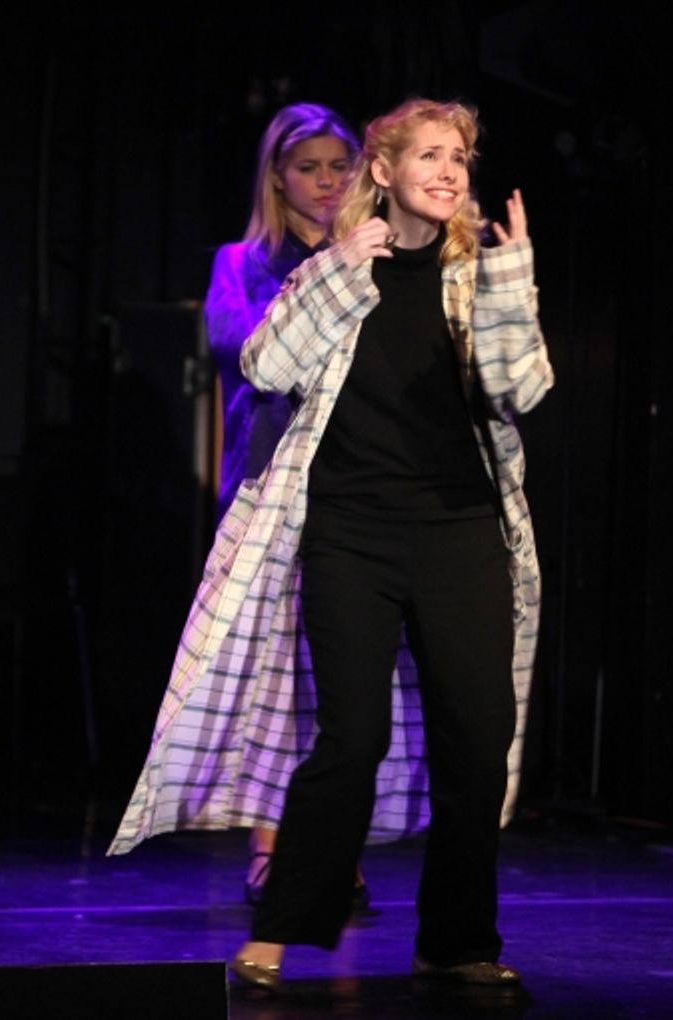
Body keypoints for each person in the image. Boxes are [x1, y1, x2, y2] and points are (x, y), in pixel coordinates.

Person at [110, 97, 550, 989]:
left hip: (462, 529)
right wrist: (343, 267)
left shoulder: (482, 272)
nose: (451, 170)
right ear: (381, 172)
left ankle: (458, 941)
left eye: (460, 155)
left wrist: (515, 278)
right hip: (349, 531)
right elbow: (265, 368)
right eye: (429, 153)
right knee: (350, 737)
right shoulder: (333, 267)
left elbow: (525, 390)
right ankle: (281, 929)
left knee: (478, 734)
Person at [205, 102, 374, 907]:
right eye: (308, 168)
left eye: (338, 167)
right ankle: (271, 847)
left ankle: (338, 844)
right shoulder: (242, 260)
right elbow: (242, 348)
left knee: (348, 673)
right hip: (271, 481)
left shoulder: (376, 254)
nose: (325, 183)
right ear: (278, 176)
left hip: (360, 479)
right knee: (276, 674)